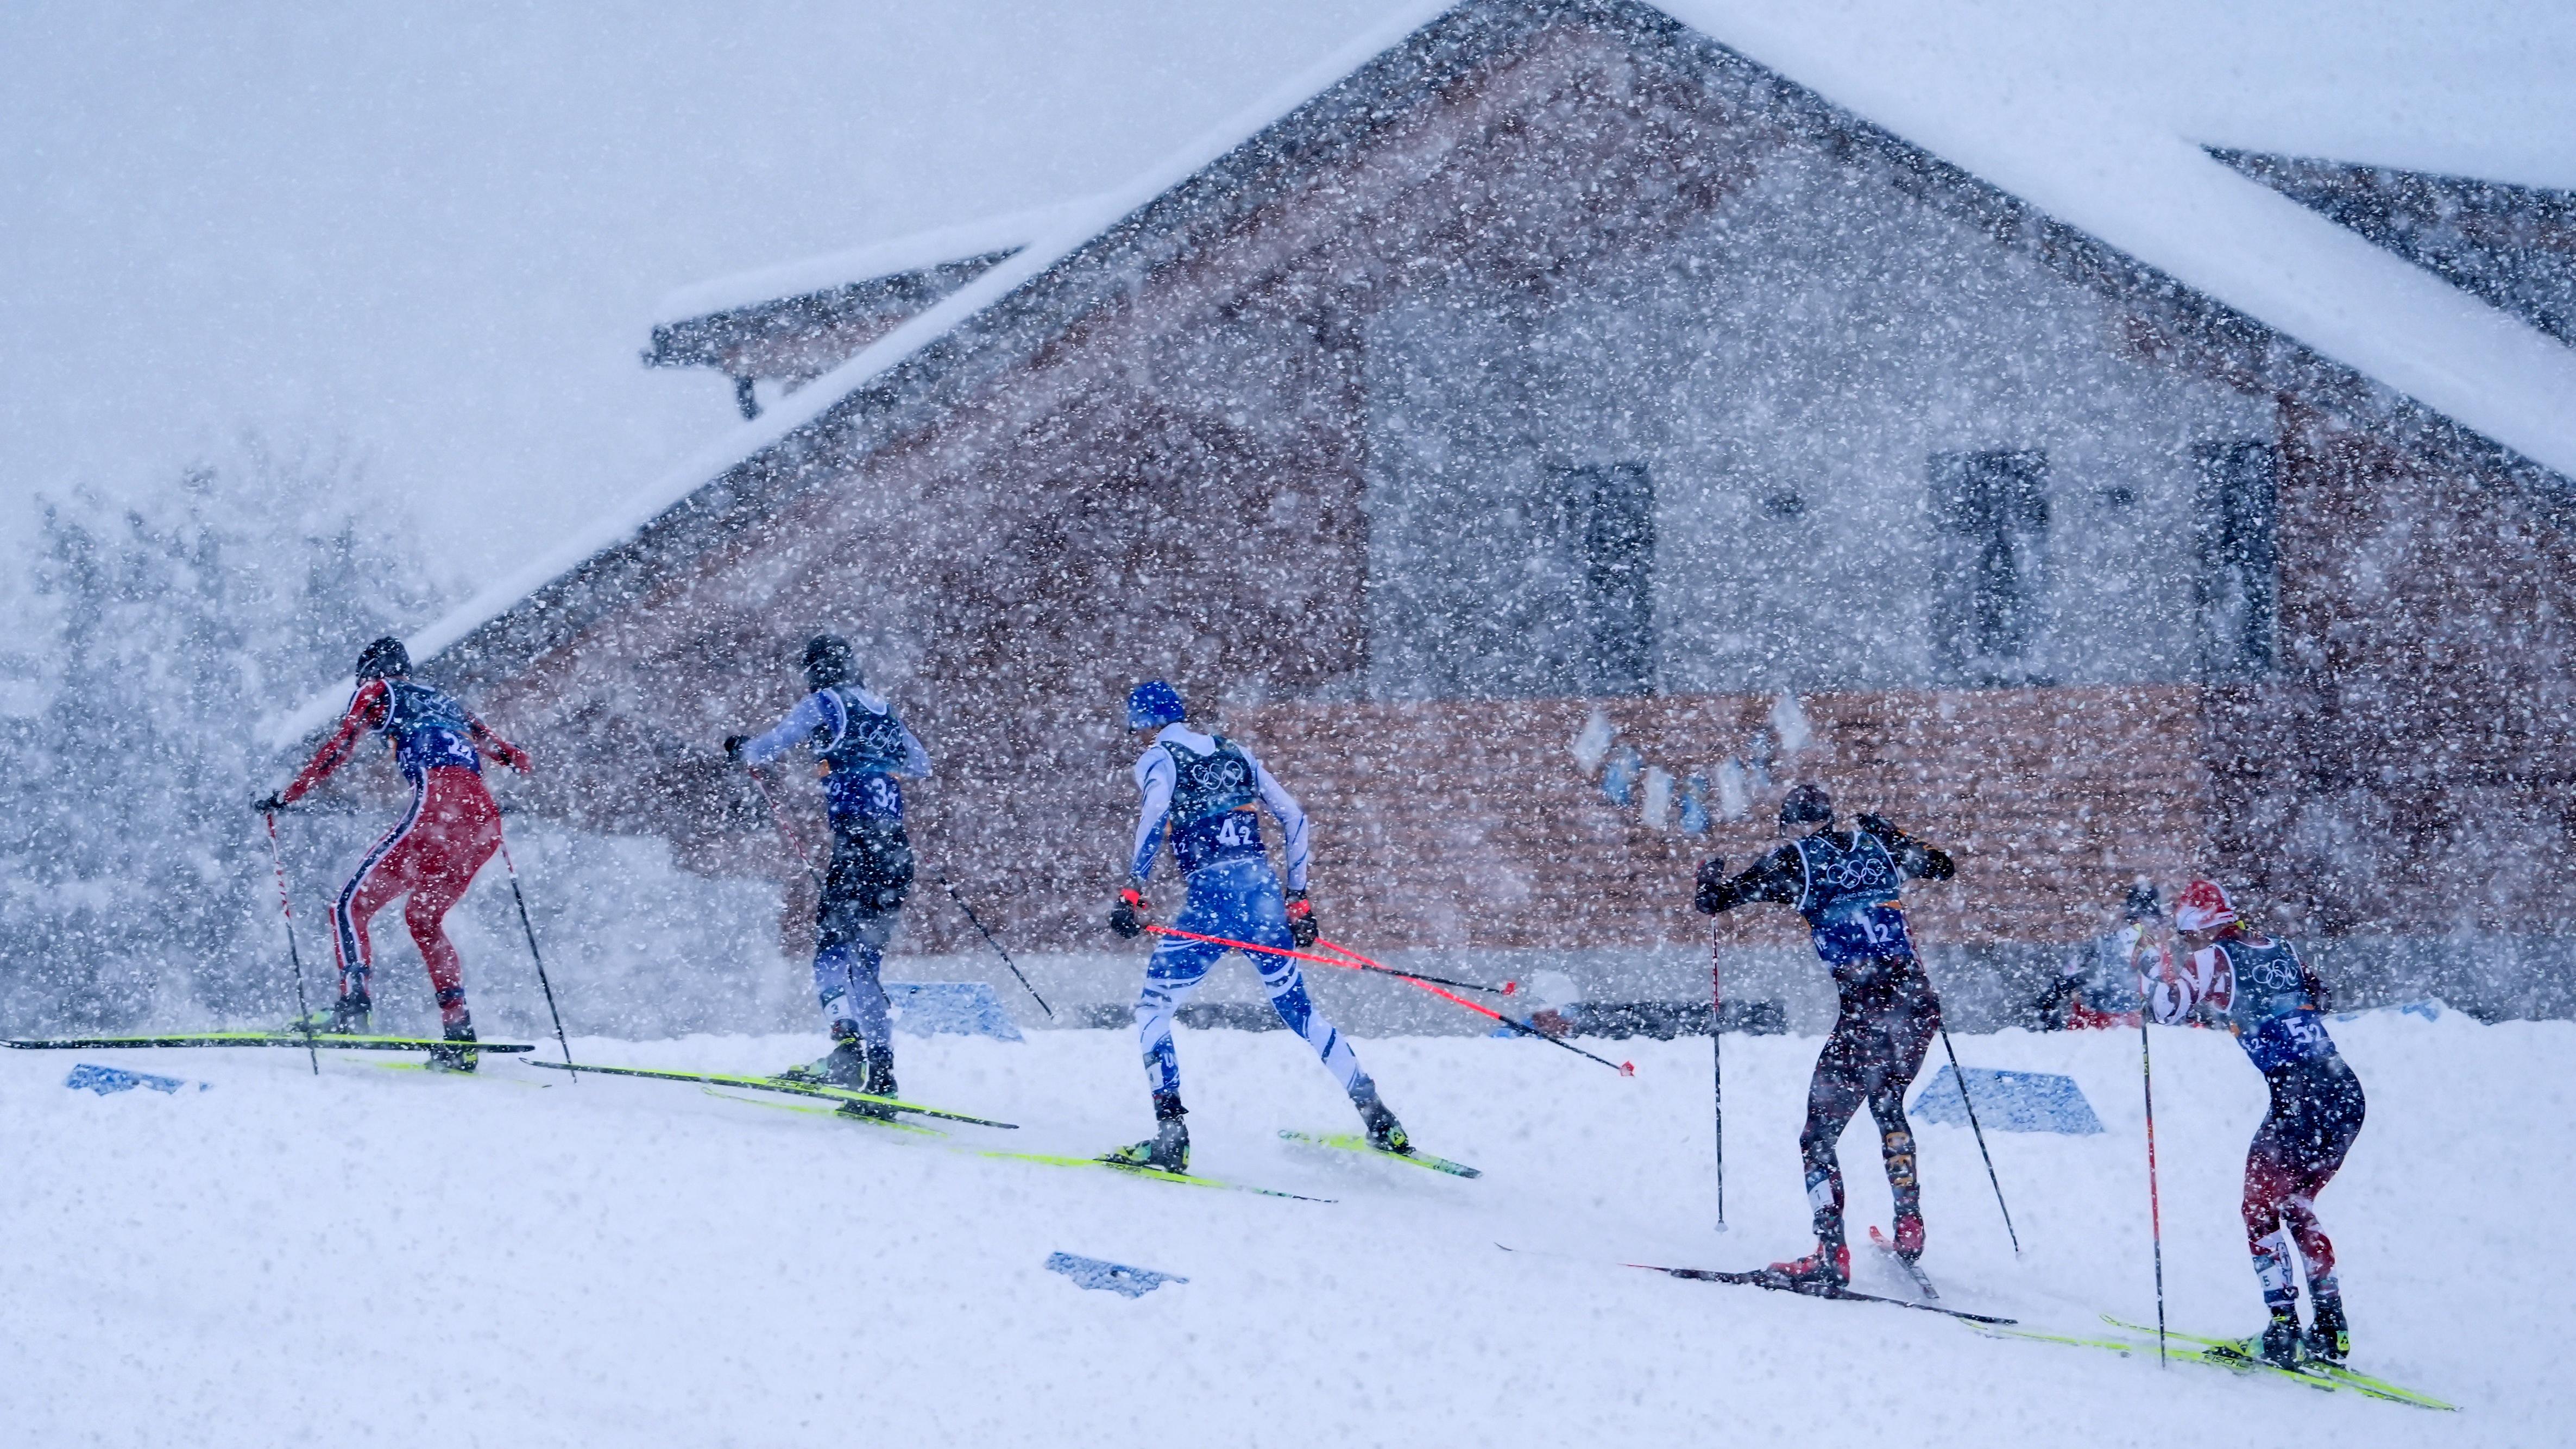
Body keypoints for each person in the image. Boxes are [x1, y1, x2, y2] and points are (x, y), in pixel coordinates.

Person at [1106, 679, 1406, 1172]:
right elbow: (1294, 817)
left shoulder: (1158, 756)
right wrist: (1298, 899)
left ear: (1144, 724)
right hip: (1265, 902)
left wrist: (1132, 889)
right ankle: (1378, 1117)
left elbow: (1154, 814)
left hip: (1210, 904)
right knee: (1301, 1013)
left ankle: (1171, 1135)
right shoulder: (1236, 752)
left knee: (1153, 1012)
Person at [1692, 783, 1956, 1288]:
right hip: (1917, 1009)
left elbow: (1714, 902)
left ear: (1790, 825)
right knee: (1888, 1106)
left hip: (1865, 1016)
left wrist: (1710, 876)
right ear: (1833, 818)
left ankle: (1829, 1254)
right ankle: (1908, 1224)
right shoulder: (1878, 846)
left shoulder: (1794, 861)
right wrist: (1892, 832)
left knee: (1817, 1139)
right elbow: (1943, 867)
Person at [256, 636, 531, 1070]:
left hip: (438, 810)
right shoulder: (447, 702)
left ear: (370, 671)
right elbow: (512, 756)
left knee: (348, 907)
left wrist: (287, 797)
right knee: (423, 920)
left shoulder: (378, 691)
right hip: (482, 825)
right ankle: (459, 1035)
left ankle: (353, 1008)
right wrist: (510, 768)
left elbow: (340, 748)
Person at [2145, 879, 2364, 1368]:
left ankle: (2283, 1329)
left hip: (2298, 1098)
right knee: (2296, 1203)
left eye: (2185, 938)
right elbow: (2318, 996)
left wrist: (2148, 961)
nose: (2186, 949)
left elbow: (2164, 1009)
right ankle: (2331, 1329)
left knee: (2258, 1211)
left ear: (2196, 929)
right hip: (2342, 1093)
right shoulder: (2279, 947)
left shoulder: (2210, 958)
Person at [723, 634, 929, 1106]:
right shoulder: (883, 707)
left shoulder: (825, 702)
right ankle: (881, 1072)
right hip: (894, 848)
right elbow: (921, 765)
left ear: (816, 671)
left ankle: (846, 1051)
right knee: (868, 962)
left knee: (832, 953)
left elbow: (768, 747)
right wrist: (875, 764)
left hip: (856, 844)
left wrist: (741, 749)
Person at [2040, 880, 2157, 1030]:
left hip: (2122, 1024)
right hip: (2097, 1025)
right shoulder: (2103, 946)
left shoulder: (2153, 950)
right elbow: (2065, 981)